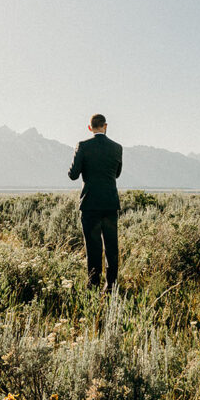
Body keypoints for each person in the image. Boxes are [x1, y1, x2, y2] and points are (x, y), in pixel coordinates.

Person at [67, 114, 123, 291]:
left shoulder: (83, 146)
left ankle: (93, 284)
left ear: (89, 128)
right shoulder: (117, 148)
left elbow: (73, 174)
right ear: (105, 126)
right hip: (110, 203)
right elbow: (117, 174)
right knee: (111, 247)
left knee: (93, 247)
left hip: (90, 203)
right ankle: (111, 285)